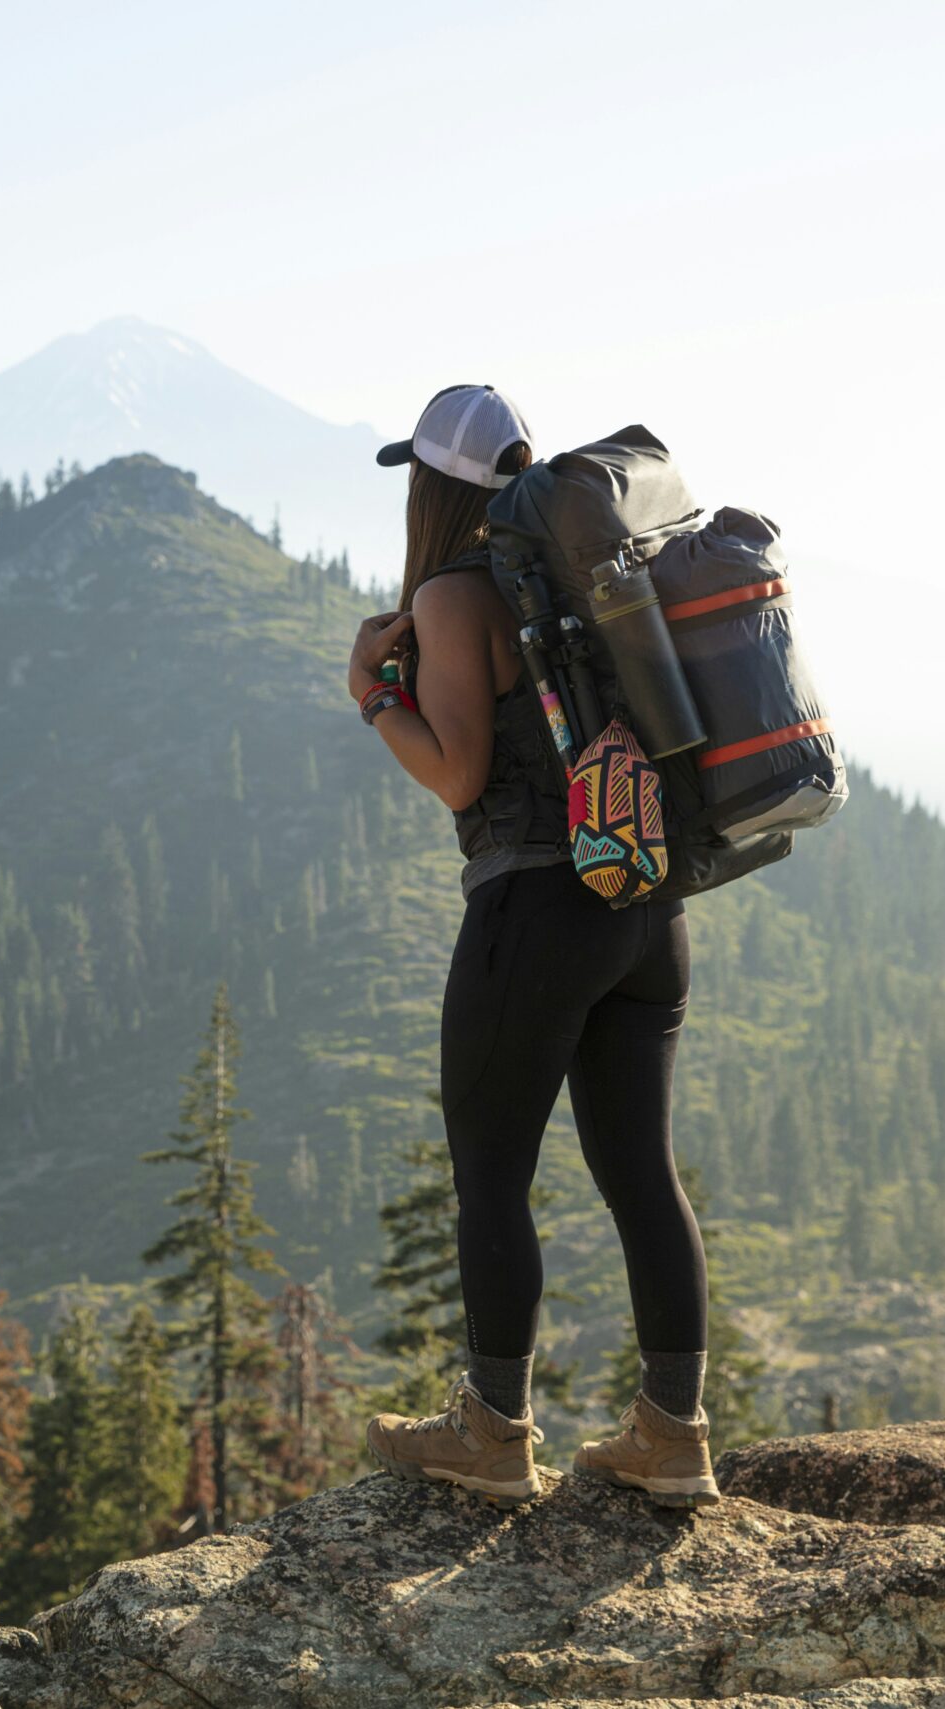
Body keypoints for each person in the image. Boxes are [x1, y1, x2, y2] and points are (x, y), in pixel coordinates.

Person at [350, 384, 720, 1510]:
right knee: (640, 1175)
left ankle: (493, 1432)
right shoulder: (590, 574)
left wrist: (372, 696)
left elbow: (460, 774)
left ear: (430, 482)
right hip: (646, 901)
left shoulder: (456, 594)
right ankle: (672, 1433)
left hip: (536, 906)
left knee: (491, 1174)